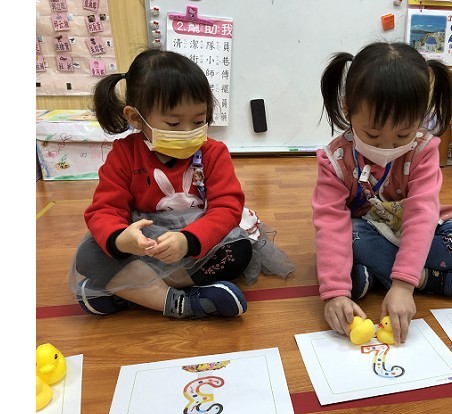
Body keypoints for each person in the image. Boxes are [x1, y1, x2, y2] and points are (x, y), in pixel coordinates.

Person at [69, 49, 294, 319]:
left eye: (199, 121)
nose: (189, 132)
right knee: (89, 254)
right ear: (136, 118)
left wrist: (188, 241)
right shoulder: (124, 155)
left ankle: (130, 294)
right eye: (174, 123)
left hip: (196, 241)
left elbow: (227, 207)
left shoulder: (213, 152)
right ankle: (184, 303)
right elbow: (104, 210)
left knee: (238, 251)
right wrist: (121, 240)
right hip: (146, 245)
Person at [312, 42, 452, 345]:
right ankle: (438, 281)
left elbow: (422, 214)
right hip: (369, 233)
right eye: (372, 134)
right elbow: (331, 223)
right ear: (347, 108)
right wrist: (335, 293)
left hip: (420, 233)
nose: (387, 147)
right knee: (350, 235)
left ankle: (380, 275)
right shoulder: (335, 160)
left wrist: (403, 286)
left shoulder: (423, 149)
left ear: (421, 116)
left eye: (403, 134)